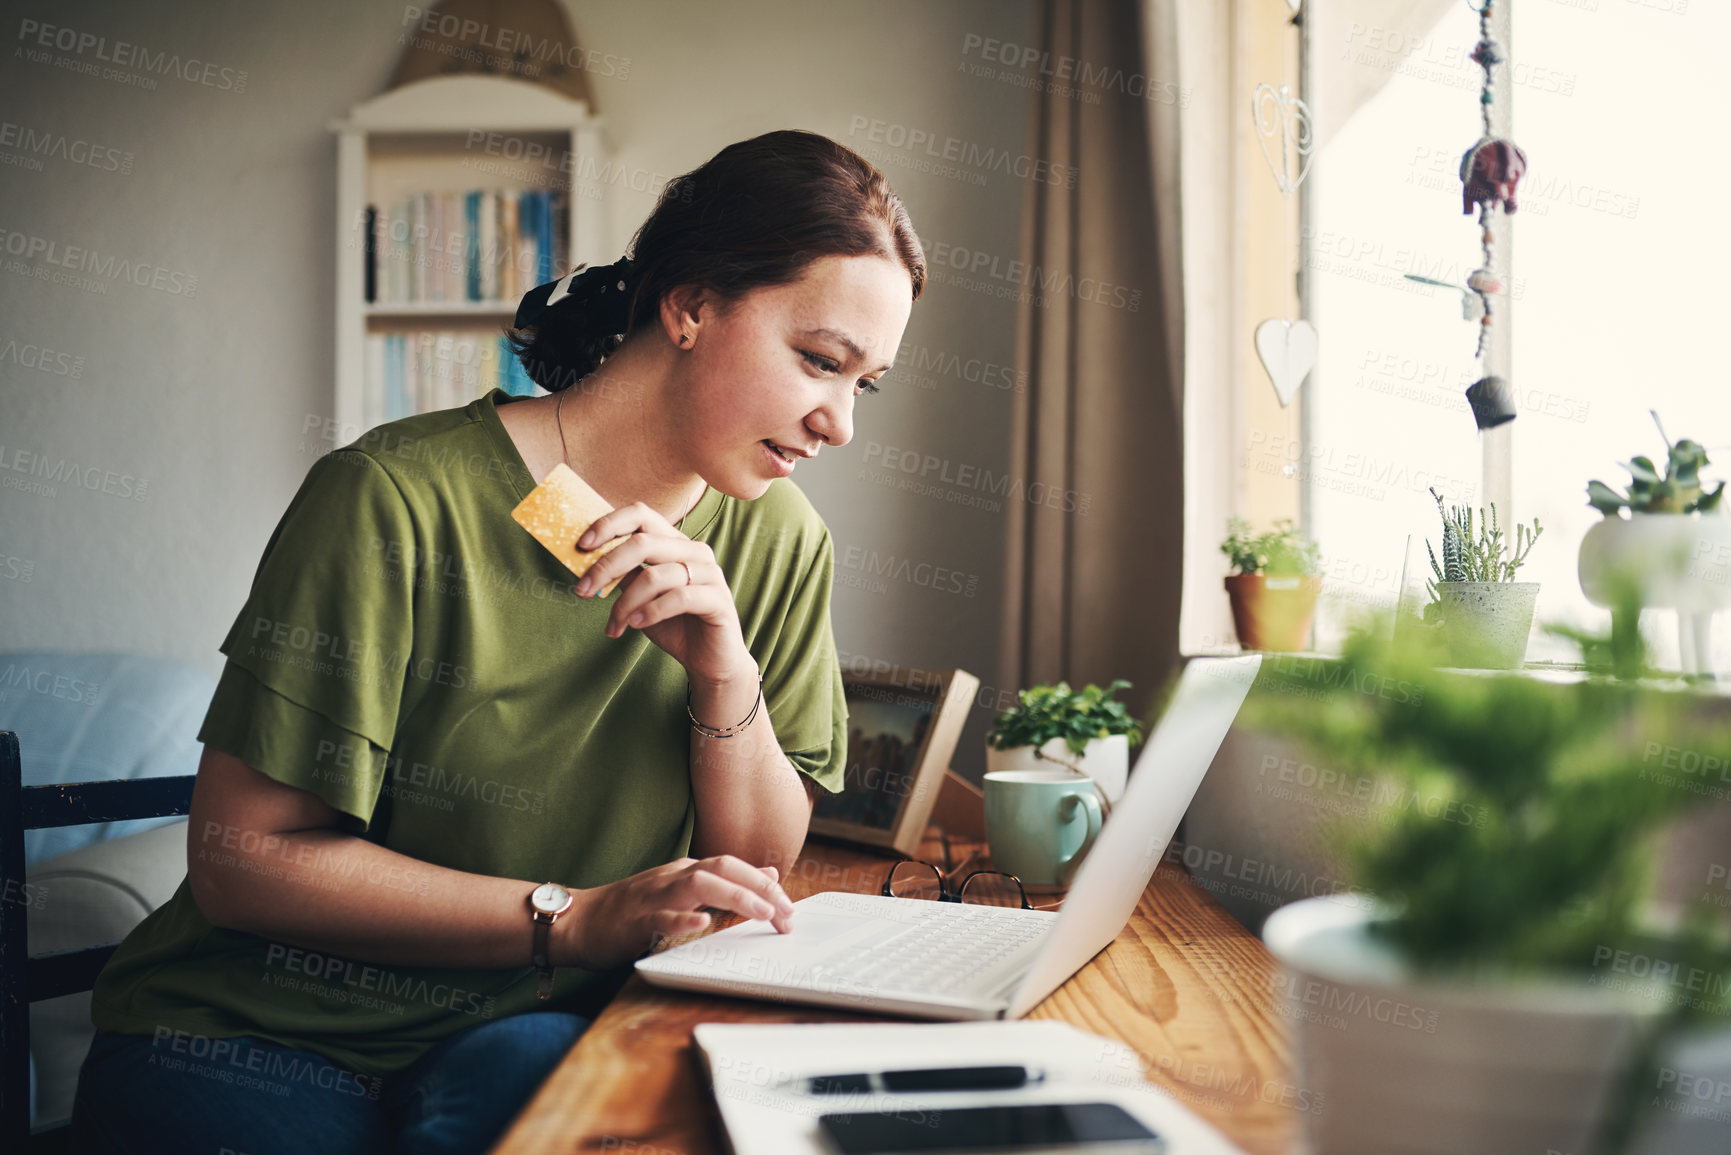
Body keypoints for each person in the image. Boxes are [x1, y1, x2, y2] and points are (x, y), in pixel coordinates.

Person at [69, 129, 924, 1155]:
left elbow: (752, 864)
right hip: (257, 1026)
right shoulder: (390, 497)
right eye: (822, 361)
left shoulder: (779, 539)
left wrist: (721, 670)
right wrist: (578, 917)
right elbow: (241, 861)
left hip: (531, 1022)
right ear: (691, 305)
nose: (840, 422)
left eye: (864, 384)